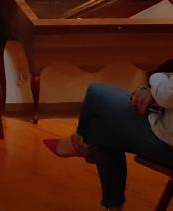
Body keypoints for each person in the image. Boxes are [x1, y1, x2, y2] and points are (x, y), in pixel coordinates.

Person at [44, 71, 173, 211]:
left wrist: (158, 77)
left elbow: (166, 95)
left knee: (96, 94)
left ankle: (80, 142)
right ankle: (82, 142)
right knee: (101, 127)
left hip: (167, 144)